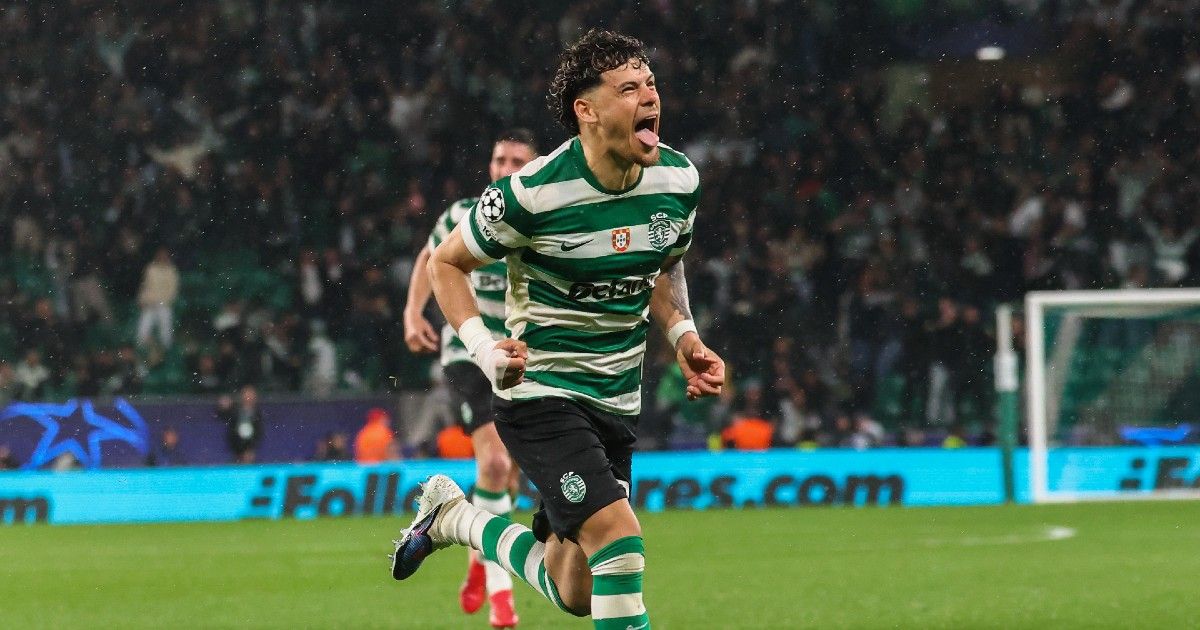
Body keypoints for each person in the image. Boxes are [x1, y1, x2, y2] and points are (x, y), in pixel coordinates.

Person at [392, 31, 725, 630]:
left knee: (577, 589)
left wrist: (684, 335)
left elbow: (661, 264)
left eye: (650, 84)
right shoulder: (533, 194)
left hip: (617, 399)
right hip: (541, 396)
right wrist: (484, 349)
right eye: (629, 88)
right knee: (619, 540)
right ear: (587, 110)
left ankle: (453, 518)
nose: (650, 97)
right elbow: (444, 262)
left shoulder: (678, 182)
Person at [402, 129, 537, 627]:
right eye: (499, 159)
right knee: (496, 464)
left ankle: (478, 553)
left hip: (525, 358)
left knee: (508, 478)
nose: (505, 168)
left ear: (534, 167)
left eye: (517, 161)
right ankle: (503, 602)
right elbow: (429, 257)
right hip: (469, 352)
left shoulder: (543, 219)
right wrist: (413, 313)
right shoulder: (463, 213)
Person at [136, 247, 180, 348]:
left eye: (164, 255)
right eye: (160, 255)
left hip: (164, 303)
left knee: (165, 326)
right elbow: (145, 286)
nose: (162, 257)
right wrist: (142, 300)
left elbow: (173, 291)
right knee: (144, 324)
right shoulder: (150, 268)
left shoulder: (172, 271)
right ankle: (141, 347)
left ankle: (166, 347)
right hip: (149, 303)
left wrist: (161, 301)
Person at [222, 386, 262, 463]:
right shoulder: (234, 411)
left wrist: (250, 449)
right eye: (246, 395)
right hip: (235, 450)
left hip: (250, 451)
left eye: (251, 396)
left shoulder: (257, 414)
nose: (248, 398)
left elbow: (258, 433)